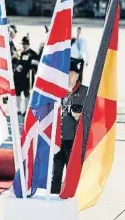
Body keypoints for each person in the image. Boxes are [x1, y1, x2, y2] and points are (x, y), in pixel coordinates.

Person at [51, 58, 88, 194]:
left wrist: (80, 116)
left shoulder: (85, 92)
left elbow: (92, 114)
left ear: (77, 75)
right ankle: (54, 199)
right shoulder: (58, 91)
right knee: (56, 173)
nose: (69, 76)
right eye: (67, 73)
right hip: (58, 138)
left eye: (72, 73)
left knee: (73, 173)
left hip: (74, 140)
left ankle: (72, 198)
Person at [14, 36, 39, 115]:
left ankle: (26, 110)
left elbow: (34, 66)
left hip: (27, 78)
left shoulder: (33, 54)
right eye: (23, 44)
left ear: (28, 44)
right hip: (19, 77)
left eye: (25, 44)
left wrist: (29, 71)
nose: (24, 45)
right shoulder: (21, 53)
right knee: (17, 93)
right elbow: (18, 62)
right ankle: (18, 109)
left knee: (26, 94)